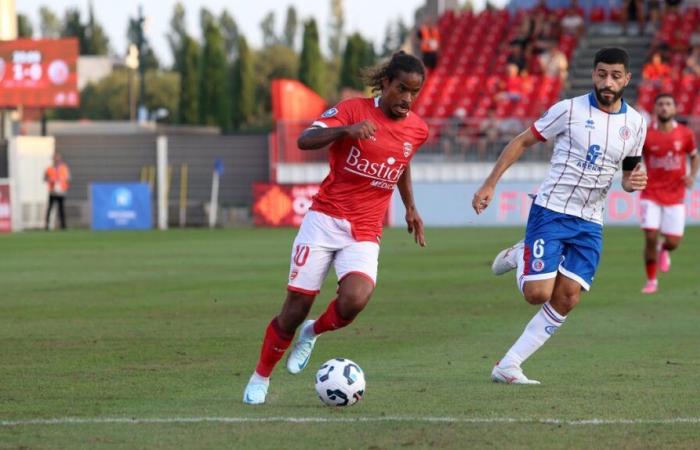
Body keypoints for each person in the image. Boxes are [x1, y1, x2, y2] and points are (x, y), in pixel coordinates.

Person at [242, 52, 429, 404]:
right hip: (324, 220)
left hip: (366, 228)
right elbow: (305, 139)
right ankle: (260, 377)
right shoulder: (353, 110)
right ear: (386, 82)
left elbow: (401, 162)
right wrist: (346, 130)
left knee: (355, 300)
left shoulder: (418, 129)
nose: (406, 98)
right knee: (294, 308)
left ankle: (313, 332)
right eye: (401, 89)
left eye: (413, 93)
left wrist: (411, 208)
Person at [472, 48, 648, 384]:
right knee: (537, 294)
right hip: (552, 210)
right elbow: (523, 141)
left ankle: (508, 365)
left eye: (615, 75)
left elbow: (627, 175)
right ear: (593, 75)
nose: (607, 82)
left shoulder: (637, 124)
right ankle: (519, 254)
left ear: (626, 78)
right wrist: (489, 184)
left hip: (591, 220)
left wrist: (633, 181)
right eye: (601, 73)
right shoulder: (568, 111)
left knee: (567, 297)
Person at [639, 93, 698, 294]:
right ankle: (651, 280)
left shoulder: (685, 134)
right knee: (650, 235)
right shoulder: (646, 134)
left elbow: (694, 156)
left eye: (668, 104)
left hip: (675, 193)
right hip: (651, 192)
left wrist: (692, 176)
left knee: (673, 241)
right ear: (655, 109)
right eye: (661, 104)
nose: (664, 107)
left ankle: (665, 250)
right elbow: (634, 158)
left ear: (674, 109)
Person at [44, 152, 71, 230]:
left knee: (61, 209)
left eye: (58, 158)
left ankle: (63, 226)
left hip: (61, 192)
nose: (56, 159)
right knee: (50, 208)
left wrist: (63, 180)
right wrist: (50, 180)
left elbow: (68, 178)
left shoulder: (64, 168)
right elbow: (45, 178)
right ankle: (47, 225)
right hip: (52, 191)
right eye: (55, 158)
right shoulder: (49, 168)